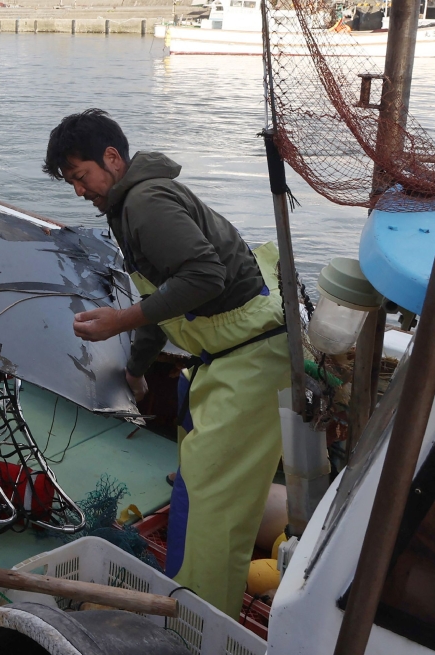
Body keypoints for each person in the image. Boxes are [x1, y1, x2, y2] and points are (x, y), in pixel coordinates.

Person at [43, 109, 290, 617]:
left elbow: (204, 277)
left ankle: (201, 624)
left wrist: (118, 320)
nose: (78, 191)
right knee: (200, 485)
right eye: (70, 182)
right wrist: (136, 368)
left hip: (251, 357)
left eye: (80, 177)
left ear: (112, 158)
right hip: (224, 355)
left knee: (210, 507)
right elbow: (167, 298)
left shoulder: (146, 202)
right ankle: (196, 597)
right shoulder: (129, 204)